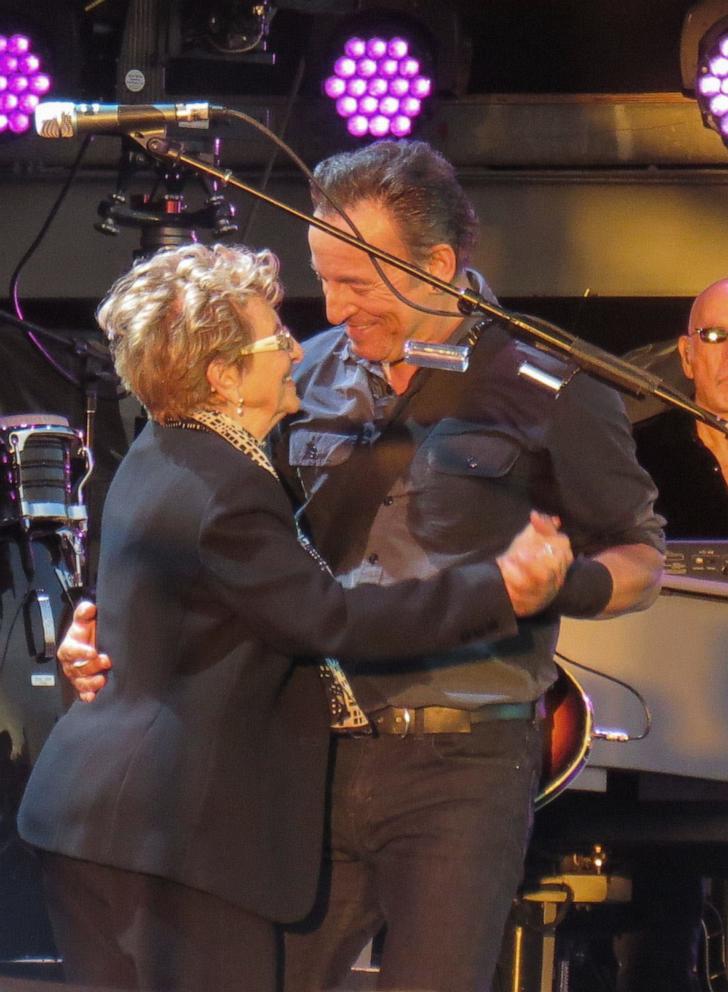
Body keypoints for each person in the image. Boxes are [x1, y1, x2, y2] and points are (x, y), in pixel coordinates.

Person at [60, 142, 665, 992]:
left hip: (462, 769)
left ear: (440, 267)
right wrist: (107, 625)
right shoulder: (299, 374)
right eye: (324, 277)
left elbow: (641, 556)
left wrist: (556, 585)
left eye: (358, 282)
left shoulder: (553, 384)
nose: (333, 307)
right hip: (304, 757)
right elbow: (203, 514)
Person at [615, 278, 728, 992]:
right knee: (660, 936)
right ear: (687, 356)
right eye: (715, 338)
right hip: (672, 745)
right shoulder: (638, 458)